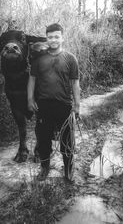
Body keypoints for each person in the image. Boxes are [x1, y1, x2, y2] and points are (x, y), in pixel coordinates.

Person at [27, 23, 80, 181]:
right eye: (50, 37)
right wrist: (30, 99)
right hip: (43, 105)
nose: (53, 40)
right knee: (43, 139)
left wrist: (77, 105)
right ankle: (44, 168)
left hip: (64, 105)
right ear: (46, 39)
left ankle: (68, 169)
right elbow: (32, 80)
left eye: (57, 36)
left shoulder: (70, 59)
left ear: (62, 38)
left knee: (66, 140)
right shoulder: (39, 60)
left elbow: (75, 83)